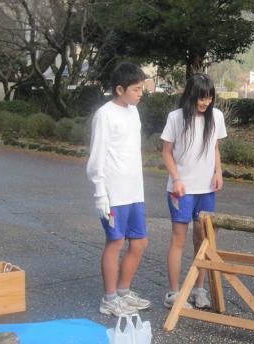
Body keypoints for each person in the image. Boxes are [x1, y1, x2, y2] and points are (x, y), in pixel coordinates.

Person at [86, 62, 150, 317]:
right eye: (136, 89)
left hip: (134, 191)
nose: (141, 93)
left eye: (142, 88)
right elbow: (97, 155)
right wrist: (100, 192)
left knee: (140, 242)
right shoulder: (105, 114)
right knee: (115, 241)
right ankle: (109, 299)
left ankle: (123, 292)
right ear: (120, 89)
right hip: (113, 192)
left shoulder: (133, 111)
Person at [161, 74, 227, 309]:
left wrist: (219, 171)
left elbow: (215, 147)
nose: (206, 102)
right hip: (181, 190)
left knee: (203, 241)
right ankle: (173, 293)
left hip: (206, 189)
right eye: (201, 97)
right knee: (178, 239)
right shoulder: (176, 118)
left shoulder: (216, 116)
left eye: (209, 98)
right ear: (191, 95)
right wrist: (176, 179)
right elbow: (166, 152)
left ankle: (199, 290)